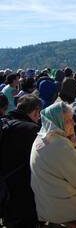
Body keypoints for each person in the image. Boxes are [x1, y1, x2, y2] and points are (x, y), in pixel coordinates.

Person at [30, 102, 76, 225]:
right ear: (57, 122)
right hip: (67, 209)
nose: (74, 123)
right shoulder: (60, 145)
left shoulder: (42, 137)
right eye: (69, 120)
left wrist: (71, 142)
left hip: (48, 204)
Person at [0, 95, 41, 227]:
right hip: (23, 193)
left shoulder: (4, 122)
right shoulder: (32, 130)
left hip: (5, 188)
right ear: (36, 111)